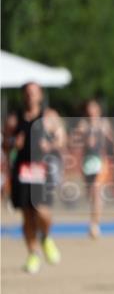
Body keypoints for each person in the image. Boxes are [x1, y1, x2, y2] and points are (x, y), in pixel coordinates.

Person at [9, 82, 62, 273]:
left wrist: (50, 145)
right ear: (23, 96)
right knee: (27, 215)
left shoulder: (49, 116)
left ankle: (46, 237)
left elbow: (62, 139)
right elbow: (6, 142)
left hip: (41, 168)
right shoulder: (15, 119)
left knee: (41, 211)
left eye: (34, 93)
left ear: (40, 95)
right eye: (27, 93)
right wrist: (14, 142)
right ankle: (32, 254)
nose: (30, 96)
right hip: (22, 170)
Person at [76, 98, 114, 239]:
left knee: (96, 190)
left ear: (98, 110)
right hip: (87, 161)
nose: (91, 111)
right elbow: (76, 142)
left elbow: (111, 142)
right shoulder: (83, 124)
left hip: (101, 161)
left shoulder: (104, 124)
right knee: (90, 193)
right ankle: (95, 218)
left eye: (94, 108)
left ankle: (95, 224)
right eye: (89, 108)